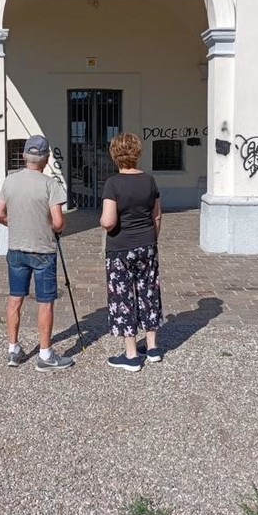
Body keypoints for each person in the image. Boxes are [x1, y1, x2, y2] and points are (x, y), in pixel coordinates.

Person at [0, 134, 73, 372]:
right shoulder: (51, 184)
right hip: (43, 250)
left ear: (24, 156)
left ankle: (13, 349)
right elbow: (58, 223)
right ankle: (46, 354)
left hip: (16, 248)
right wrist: (47, 225)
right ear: (46, 159)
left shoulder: (10, 181)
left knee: (14, 298)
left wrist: (15, 223)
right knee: (45, 302)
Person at [100, 132, 163, 372]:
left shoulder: (113, 183)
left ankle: (131, 354)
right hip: (146, 244)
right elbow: (156, 215)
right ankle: (153, 347)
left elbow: (108, 222)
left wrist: (102, 220)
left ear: (115, 155)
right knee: (149, 292)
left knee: (123, 297)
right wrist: (151, 238)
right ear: (137, 153)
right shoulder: (150, 181)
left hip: (120, 247)